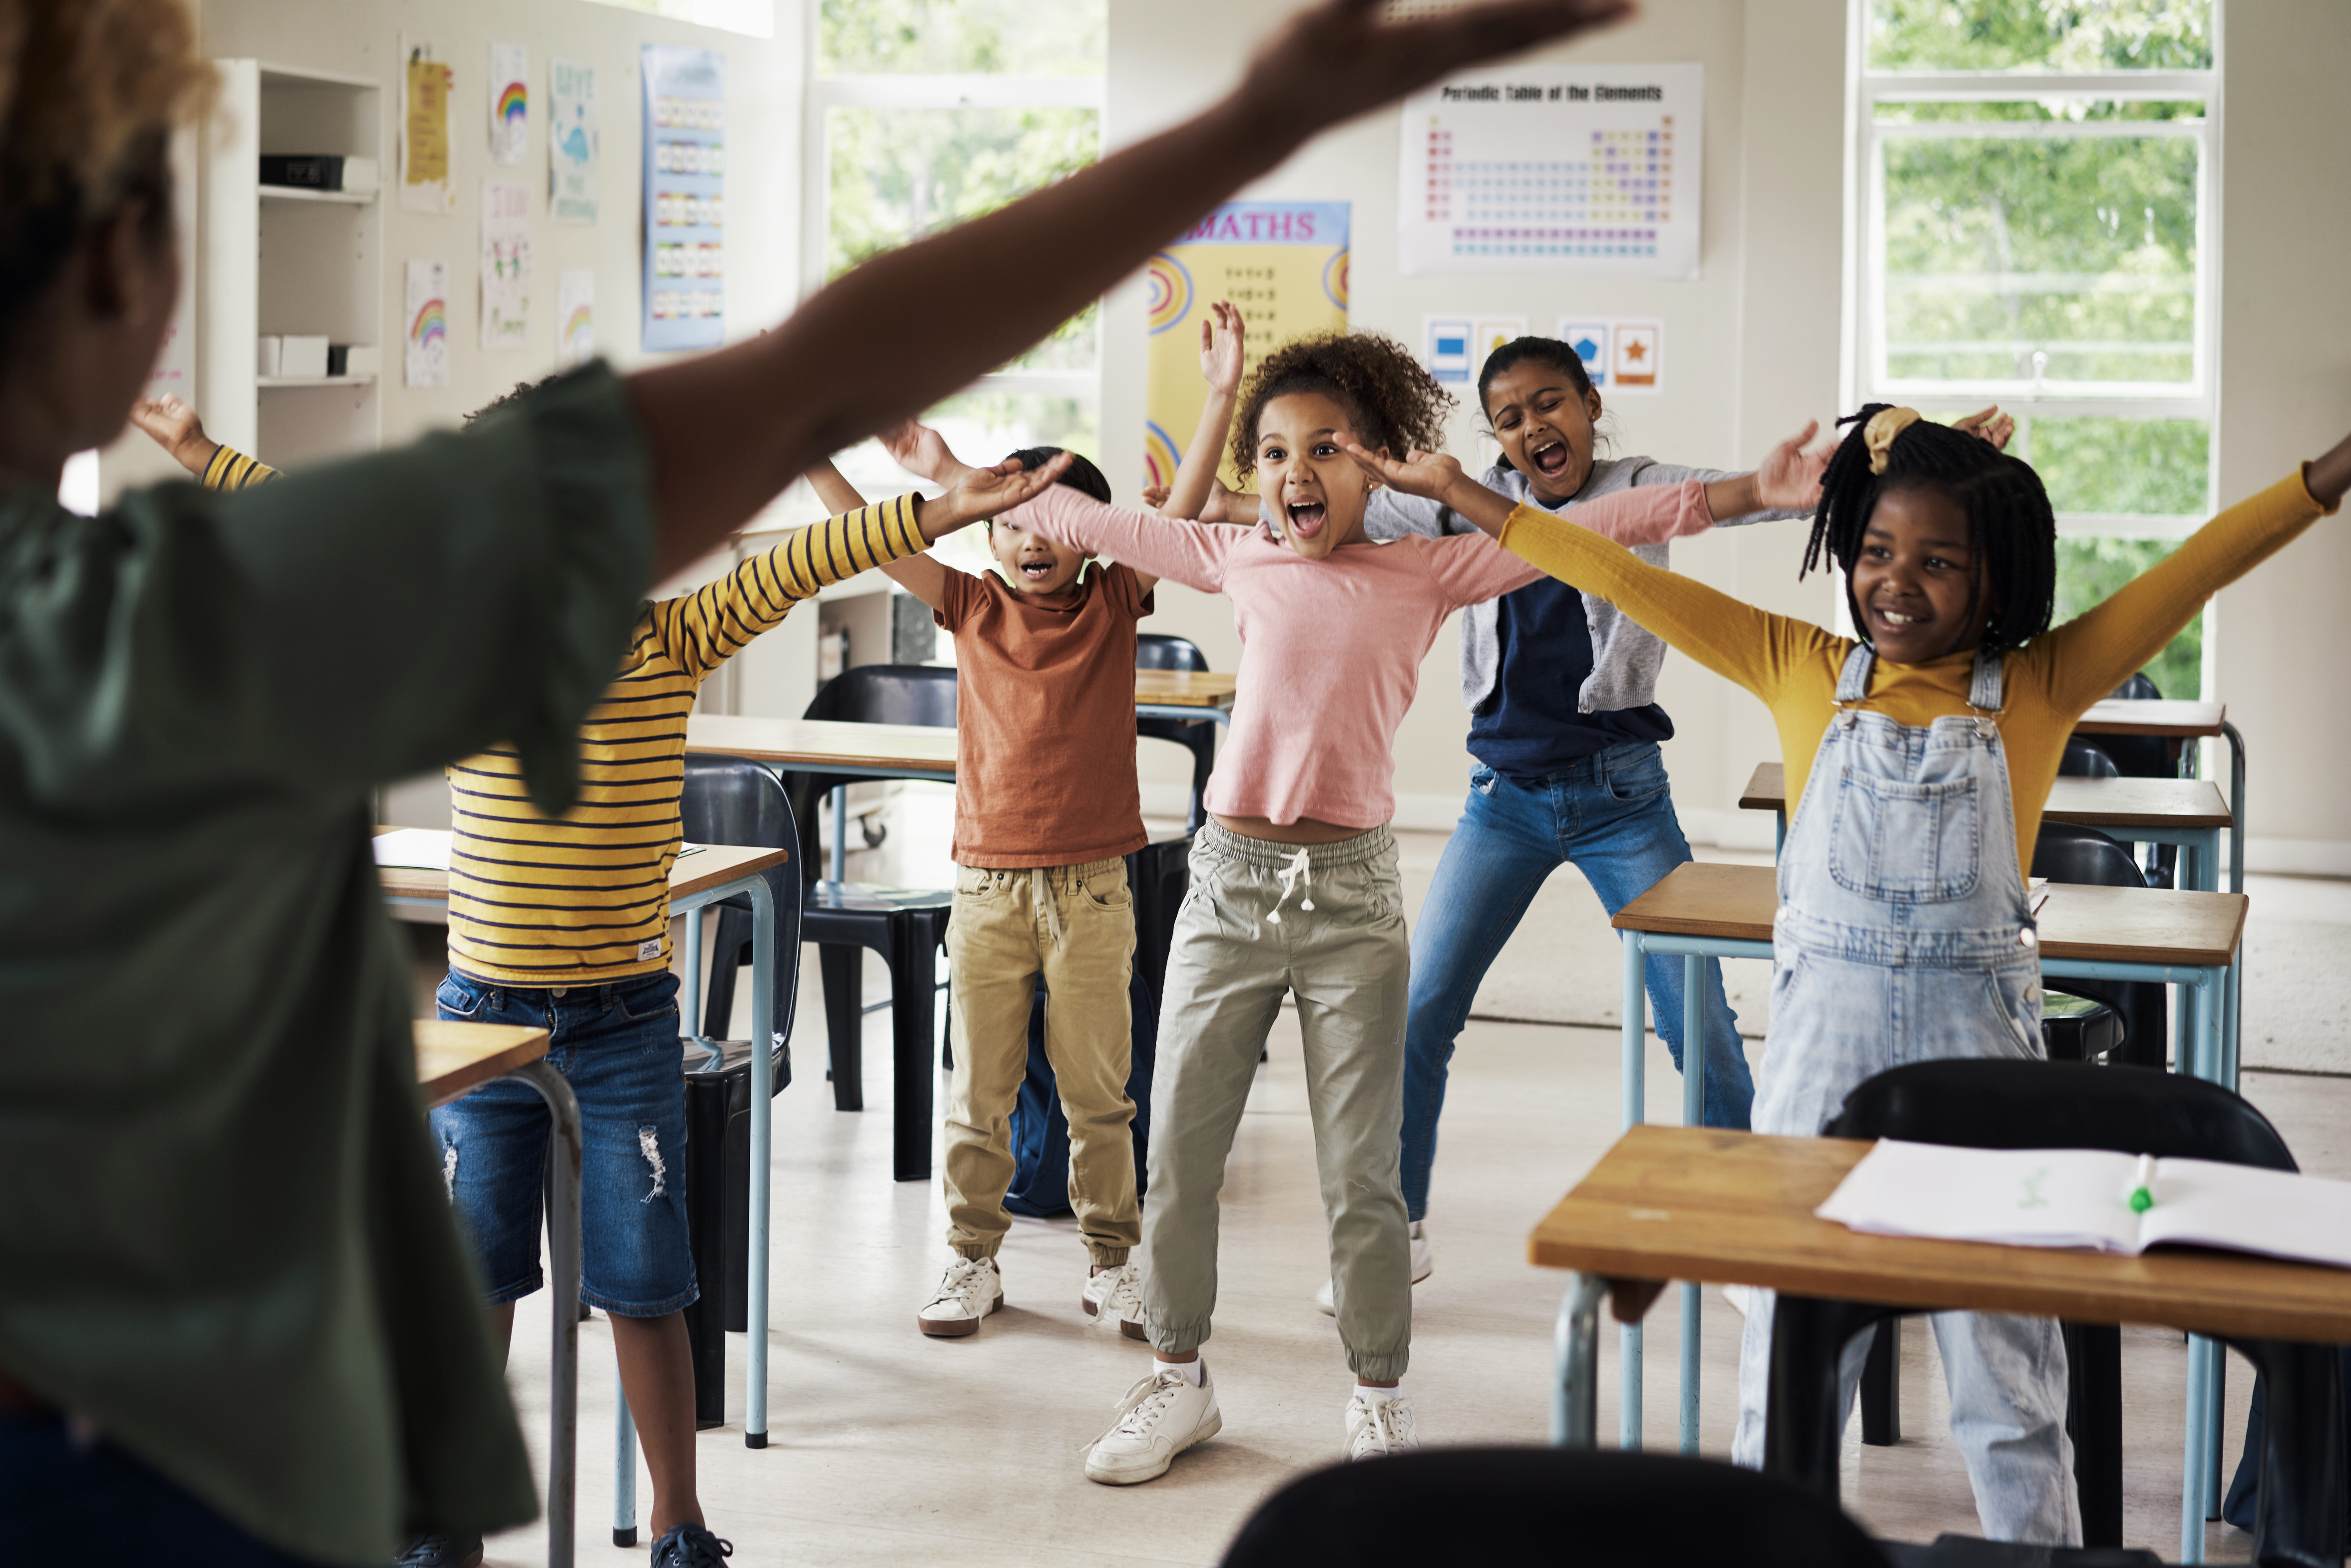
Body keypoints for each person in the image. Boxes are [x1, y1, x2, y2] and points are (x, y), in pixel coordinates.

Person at [0, 0, 1635, 1557]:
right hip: (167, 1455)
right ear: (127, 265)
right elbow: (828, 367)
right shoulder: (178, 615)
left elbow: (849, 426)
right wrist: (1265, 114)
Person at [1347, 406, 2351, 1543]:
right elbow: (1602, 567)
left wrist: (2326, 475)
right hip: (1820, 1072)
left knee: (2007, 1381)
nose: (1898, 582)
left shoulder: (2039, 686)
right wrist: (1467, 495)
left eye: (1938, 562)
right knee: (1788, 1361)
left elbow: (2200, 564)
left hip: (1986, 1084)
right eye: (1876, 552)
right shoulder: (1799, 665)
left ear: (1996, 579)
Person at [1170, 325, 1848, 1311]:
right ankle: (1394, 1225)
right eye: (1509, 418)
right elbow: (1259, 508)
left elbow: (1729, 497)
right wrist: (1255, 440)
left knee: (1693, 1012)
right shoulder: (1448, 498)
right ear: (1494, 438)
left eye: (1549, 405)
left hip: (1623, 794)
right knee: (1422, 1007)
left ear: (1588, 408)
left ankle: (1737, 1226)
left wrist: (1797, 484)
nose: (1533, 427)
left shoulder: (1630, 484)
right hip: (1505, 801)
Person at [806, 445, 1156, 1343]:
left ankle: (1113, 1261)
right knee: (981, 1093)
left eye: (1052, 518)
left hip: (1093, 890)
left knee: (1097, 1095)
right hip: (989, 889)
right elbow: (869, 541)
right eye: (1009, 519)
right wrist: (813, 458)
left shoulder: (1115, 599)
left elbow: (1174, 529)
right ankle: (972, 1256)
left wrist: (1222, 397)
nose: (1027, 536)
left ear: (1091, 533)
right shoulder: (970, 602)